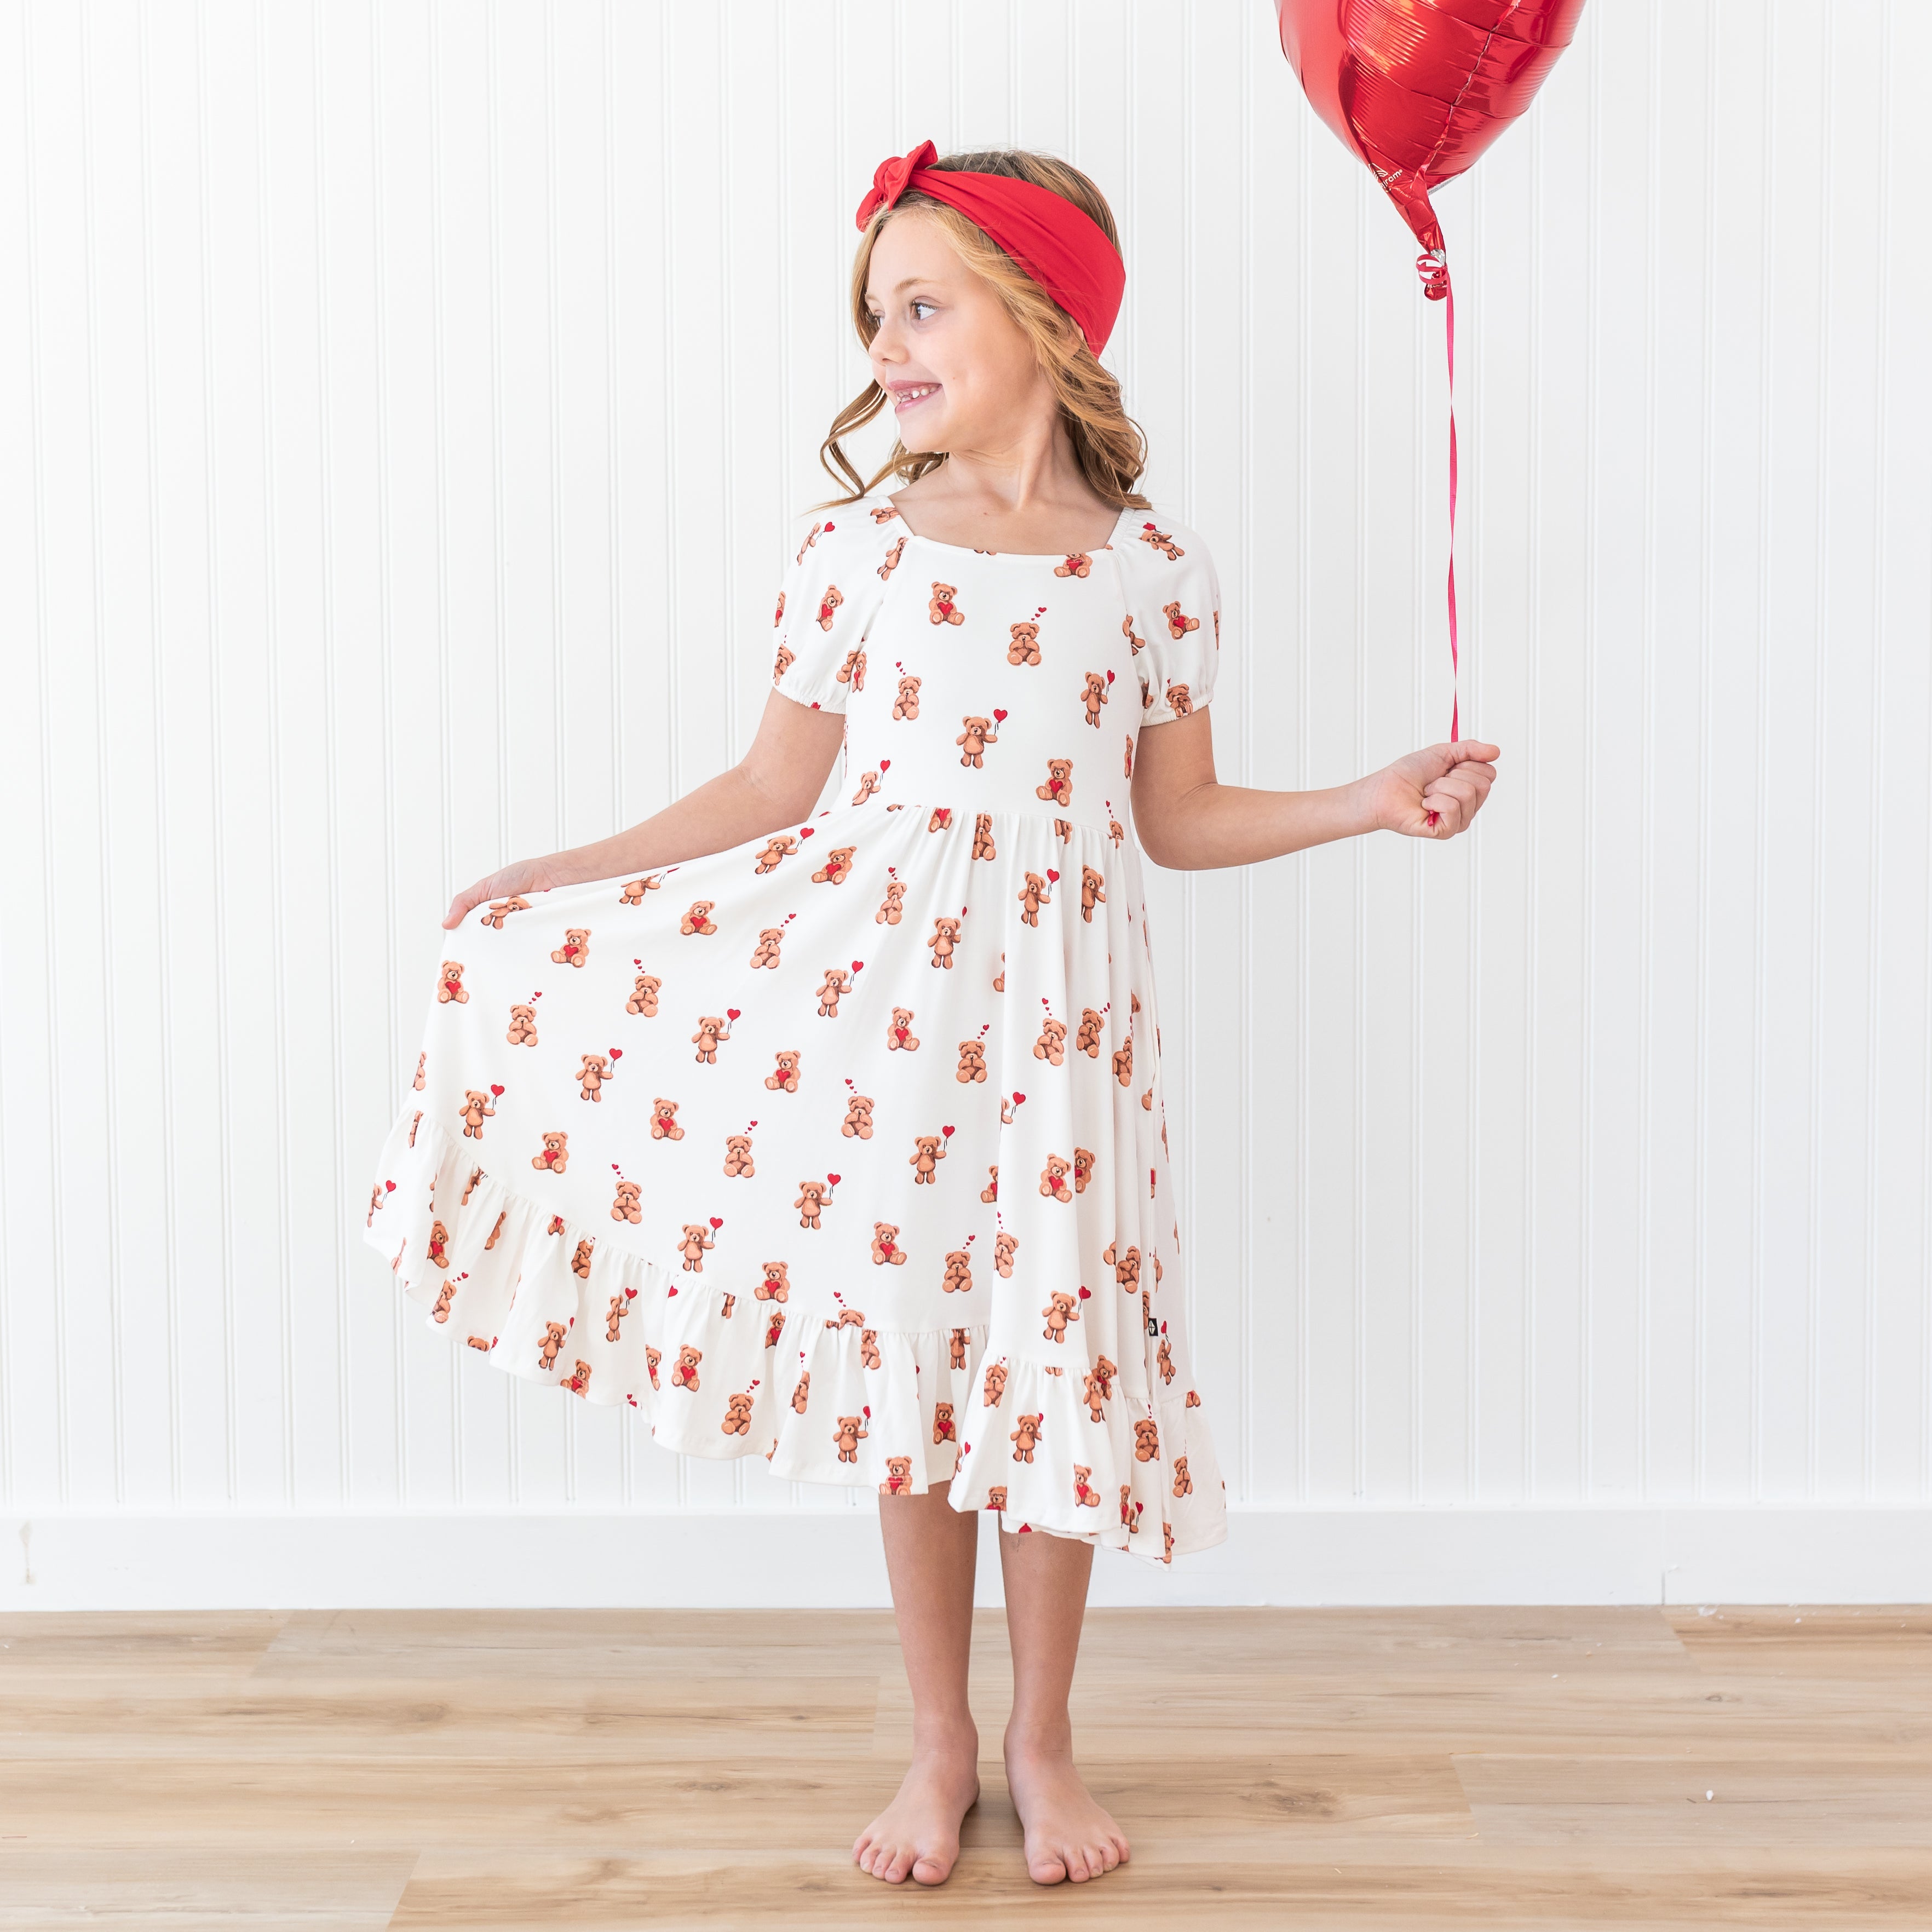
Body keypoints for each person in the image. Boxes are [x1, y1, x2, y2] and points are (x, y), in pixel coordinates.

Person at [361, 140, 1498, 1890]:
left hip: (1067, 1045)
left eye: (919, 305)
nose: (885, 347)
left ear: (1042, 314)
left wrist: (1367, 799)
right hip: (889, 1030)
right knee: (916, 1367)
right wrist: (563, 876)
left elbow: (1173, 823)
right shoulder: (859, 553)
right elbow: (767, 787)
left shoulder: (1151, 573)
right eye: (873, 316)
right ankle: (938, 1739)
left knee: (1048, 1357)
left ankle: (1042, 1741)